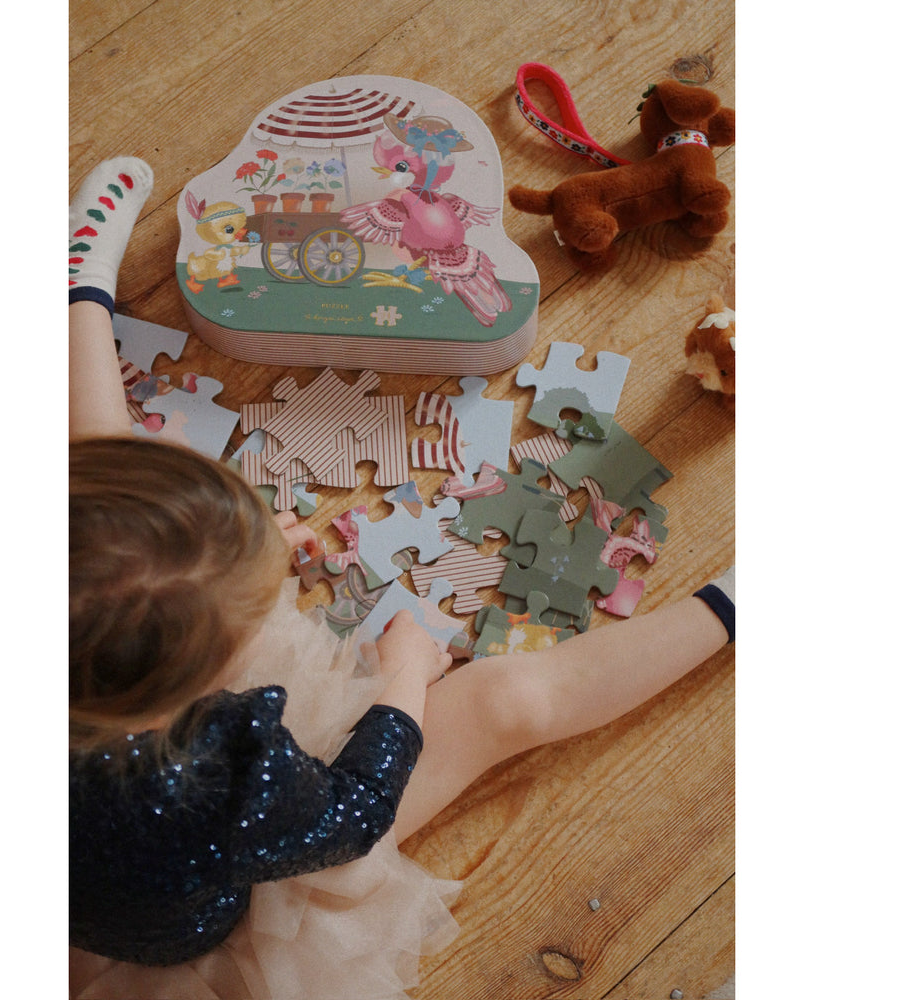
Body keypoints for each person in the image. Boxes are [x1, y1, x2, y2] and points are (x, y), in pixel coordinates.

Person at [68, 158, 735, 998]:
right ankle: (737, 602)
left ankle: (78, 283)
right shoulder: (234, 783)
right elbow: (355, 813)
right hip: (217, 921)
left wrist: (225, 551)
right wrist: (404, 681)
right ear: (205, 681)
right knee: (499, 705)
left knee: (106, 492)